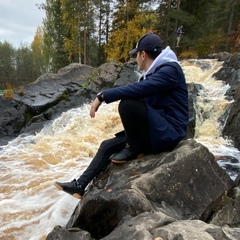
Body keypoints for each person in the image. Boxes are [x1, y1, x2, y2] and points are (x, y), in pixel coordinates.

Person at [54, 33, 189, 199]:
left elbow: (137, 91)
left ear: (143, 54)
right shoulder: (155, 73)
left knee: (127, 103)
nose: (135, 59)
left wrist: (103, 96)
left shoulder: (170, 70)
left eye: (136, 55)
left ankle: (134, 148)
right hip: (157, 129)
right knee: (106, 146)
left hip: (169, 132)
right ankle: (80, 185)